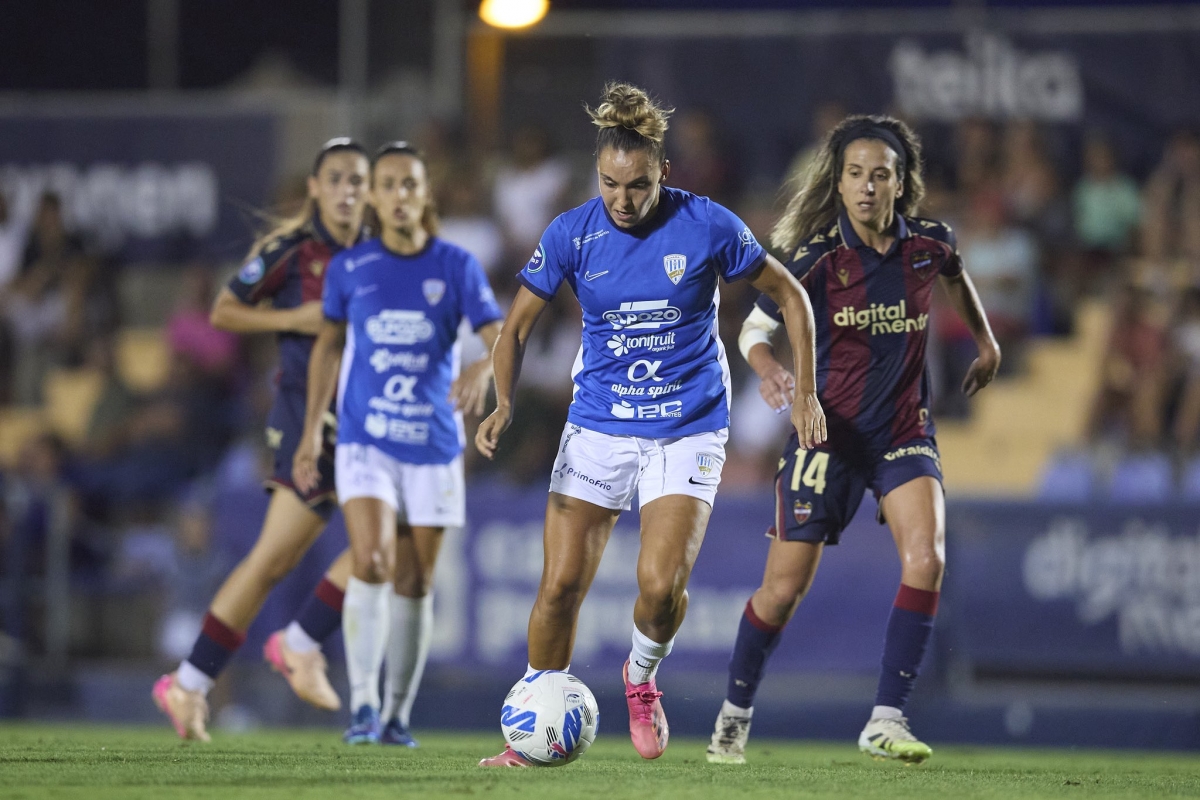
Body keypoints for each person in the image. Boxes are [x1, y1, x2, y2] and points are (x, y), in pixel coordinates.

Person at [474, 82, 826, 767]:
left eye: (636, 185)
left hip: (687, 425)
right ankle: (529, 737)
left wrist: (805, 390)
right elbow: (516, 325)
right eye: (609, 183)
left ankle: (640, 679)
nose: (622, 200)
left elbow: (791, 294)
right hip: (599, 425)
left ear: (663, 171)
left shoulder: (708, 226)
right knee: (557, 588)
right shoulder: (572, 233)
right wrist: (504, 402)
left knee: (660, 588)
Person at [705, 115, 1001, 766]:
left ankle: (886, 719)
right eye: (856, 175)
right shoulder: (812, 258)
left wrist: (986, 340)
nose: (868, 187)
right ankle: (735, 708)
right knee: (782, 590)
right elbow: (752, 332)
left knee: (928, 557)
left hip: (901, 430)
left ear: (902, 184)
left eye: (882, 175)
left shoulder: (930, 242)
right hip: (824, 436)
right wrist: (773, 369)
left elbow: (955, 274)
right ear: (837, 184)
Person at [153, 138, 371, 742]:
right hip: (308, 421)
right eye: (337, 180)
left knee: (389, 540)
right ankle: (201, 679)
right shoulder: (289, 251)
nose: (348, 191)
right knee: (276, 559)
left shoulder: (378, 251)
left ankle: (259, 658)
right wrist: (290, 319)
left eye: (358, 180)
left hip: (366, 422)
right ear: (316, 189)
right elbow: (225, 310)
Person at [294, 142, 504, 746]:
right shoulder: (351, 268)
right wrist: (313, 430)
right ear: (374, 198)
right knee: (372, 561)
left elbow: (502, 334)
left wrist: (483, 369)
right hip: (367, 438)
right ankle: (361, 705)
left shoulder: (456, 265)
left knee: (414, 583)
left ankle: (396, 715)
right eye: (387, 185)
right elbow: (328, 349)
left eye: (410, 184)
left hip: (434, 444)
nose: (399, 195)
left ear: (424, 194)